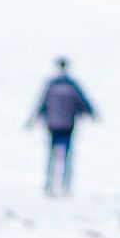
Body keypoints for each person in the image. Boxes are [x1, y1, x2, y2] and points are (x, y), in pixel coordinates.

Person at [26, 58, 96, 196]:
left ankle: (49, 185)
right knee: (66, 157)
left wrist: (34, 119)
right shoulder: (72, 85)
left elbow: (41, 104)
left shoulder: (51, 85)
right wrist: (90, 113)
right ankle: (65, 185)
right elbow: (83, 103)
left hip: (52, 125)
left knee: (51, 156)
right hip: (68, 125)